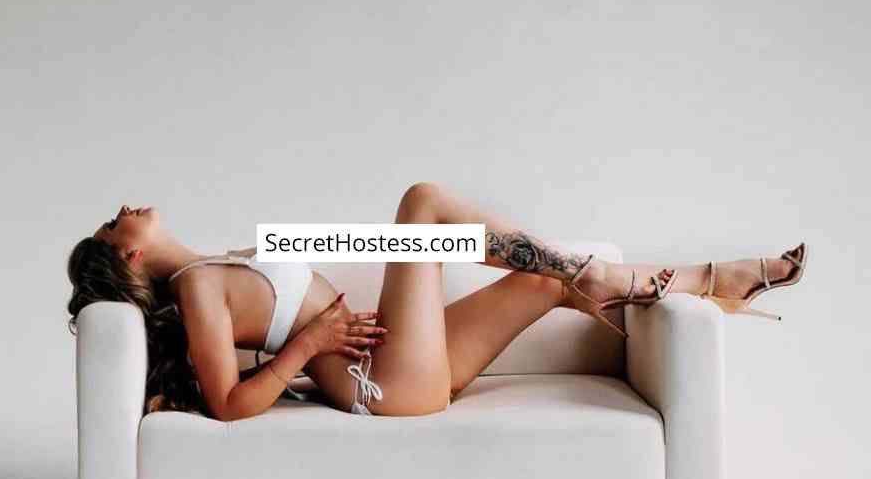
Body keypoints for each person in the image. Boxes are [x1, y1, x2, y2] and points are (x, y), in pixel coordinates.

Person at [66, 182, 806, 420]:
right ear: (127, 254)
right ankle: (607, 278)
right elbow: (228, 403)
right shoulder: (198, 288)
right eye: (111, 222)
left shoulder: (219, 260)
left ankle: (714, 282)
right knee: (421, 202)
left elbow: (345, 251)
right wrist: (308, 346)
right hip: (381, 382)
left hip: (405, 362)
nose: (124, 207)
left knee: (545, 280)